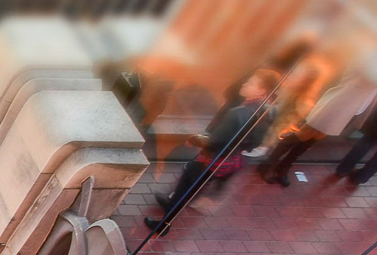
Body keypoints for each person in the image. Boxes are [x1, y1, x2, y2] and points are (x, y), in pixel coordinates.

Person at [144, 69, 279, 232]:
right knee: (194, 185)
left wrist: (194, 139)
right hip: (230, 160)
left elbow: (214, 141)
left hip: (213, 159)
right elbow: (255, 143)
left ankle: (165, 223)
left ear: (262, 90)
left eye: (251, 82)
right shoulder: (269, 110)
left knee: (188, 184)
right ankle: (171, 204)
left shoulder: (237, 114)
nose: (245, 84)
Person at [259, 58, 377, 186]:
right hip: (337, 105)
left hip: (353, 110)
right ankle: (268, 164)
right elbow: (372, 76)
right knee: (301, 135)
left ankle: (283, 166)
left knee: (311, 140)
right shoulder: (369, 54)